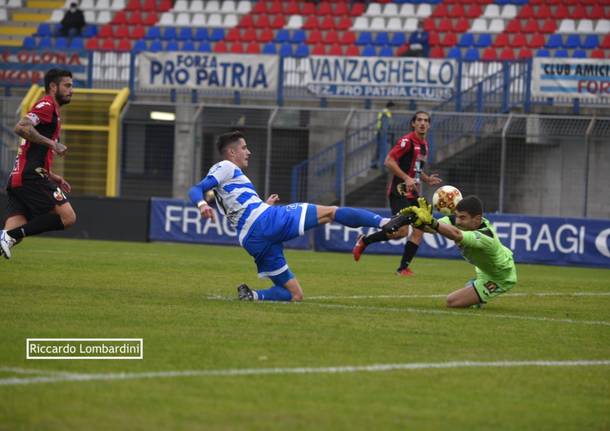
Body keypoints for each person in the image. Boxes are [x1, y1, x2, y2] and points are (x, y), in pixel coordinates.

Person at [188, 131, 400, 302]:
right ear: (231, 152)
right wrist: (201, 204)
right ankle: (384, 222)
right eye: (244, 148)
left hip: (251, 238)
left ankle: (252, 295)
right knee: (331, 212)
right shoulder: (225, 166)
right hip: (265, 221)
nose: (249, 152)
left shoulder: (230, 178)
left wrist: (264, 204)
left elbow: (236, 208)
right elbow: (196, 189)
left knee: (294, 294)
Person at [353, 111, 442, 276]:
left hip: (414, 194)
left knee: (418, 231)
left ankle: (403, 269)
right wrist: (406, 178)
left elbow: (416, 169)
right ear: (413, 123)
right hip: (399, 192)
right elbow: (388, 161)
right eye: (419, 120)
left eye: (425, 121)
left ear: (429, 125)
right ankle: (364, 241)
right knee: (400, 232)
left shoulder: (425, 145)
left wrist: (427, 179)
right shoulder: (406, 141)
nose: (422, 123)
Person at [0, 68, 76, 260]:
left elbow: (31, 151)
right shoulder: (46, 104)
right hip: (31, 176)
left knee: (9, 236)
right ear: (53, 86)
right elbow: (21, 127)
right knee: (68, 217)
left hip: (21, 177)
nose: (71, 90)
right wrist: (53, 144)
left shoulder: (51, 110)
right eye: (67, 85)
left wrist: (53, 176)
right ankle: (10, 236)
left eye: (71, 86)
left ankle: (8, 236)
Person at [400, 196, 517, 308]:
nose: (458, 221)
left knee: (452, 301)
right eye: (456, 216)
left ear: (477, 220)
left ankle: (476, 295)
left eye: (462, 217)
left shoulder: (486, 236)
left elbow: (455, 234)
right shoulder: (458, 221)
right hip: (483, 269)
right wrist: (418, 222)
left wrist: (432, 222)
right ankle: (474, 287)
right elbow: (433, 228)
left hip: (500, 276)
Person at [373, 101, 394, 168]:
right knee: (384, 148)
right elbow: (385, 124)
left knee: (378, 149)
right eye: (393, 108)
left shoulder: (382, 111)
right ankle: (383, 164)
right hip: (383, 132)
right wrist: (387, 133)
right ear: (390, 107)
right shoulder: (386, 112)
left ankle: (374, 163)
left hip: (379, 131)